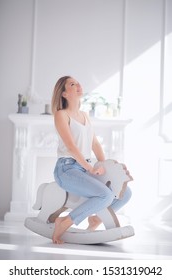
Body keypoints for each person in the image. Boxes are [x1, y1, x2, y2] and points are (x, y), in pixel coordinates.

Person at [51, 76, 132, 244]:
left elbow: (94, 143)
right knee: (105, 195)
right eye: (72, 84)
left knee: (125, 193)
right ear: (64, 94)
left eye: (77, 82)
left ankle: (96, 219)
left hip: (83, 168)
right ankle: (64, 221)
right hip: (66, 169)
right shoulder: (61, 114)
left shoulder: (84, 116)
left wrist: (105, 166)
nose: (78, 85)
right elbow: (71, 146)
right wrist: (89, 167)